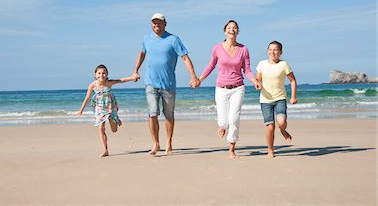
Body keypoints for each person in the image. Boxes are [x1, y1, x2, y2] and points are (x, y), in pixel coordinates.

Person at [131, 13, 200, 156]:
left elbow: (185, 58)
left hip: (168, 84)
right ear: (151, 24)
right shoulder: (146, 39)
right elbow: (142, 54)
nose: (156, 25)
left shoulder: (173, 40)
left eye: (159, 22)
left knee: (169, 115)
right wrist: (135, 70)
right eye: (154, 22)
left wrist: (193, 76)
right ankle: (155, 143)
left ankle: (168, 142)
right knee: (152, 113)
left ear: (165, 23)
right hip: (151, 82)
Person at [197, 20, 261, 159]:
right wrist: (200, 79)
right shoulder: (217, 48)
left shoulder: (244, 49)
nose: (232, 29)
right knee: (223, 121)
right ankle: (222, 126)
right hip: (221, 88)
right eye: (229, 27)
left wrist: (254, 80)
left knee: (234, 119)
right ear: (225, 31)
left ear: (237, 31)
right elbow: (210, 66)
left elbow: (247, 70)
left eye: (235, 28)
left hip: (238, 87)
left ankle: (231, 148)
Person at [78, 64, 134, 157]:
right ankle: (105, 150)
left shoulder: (109, 83)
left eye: (104, 73)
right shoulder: (92, 85)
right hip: (99, 108)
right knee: (101, 128)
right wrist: (81, 110)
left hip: (111, 107)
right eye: (99, 73)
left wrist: (132, 77)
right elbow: (87, 98)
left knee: (114, 130)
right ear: (95, 74)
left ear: (107, 74)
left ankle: (116, 120)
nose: (101, 75)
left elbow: (121, 80)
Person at [256, 41, 297, 158]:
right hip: (265, 100)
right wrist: (257, 83)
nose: (272, 52)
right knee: (270, 127)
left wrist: (293, 97)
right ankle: (270, 149)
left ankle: (283, 131)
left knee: (281, 122)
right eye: (270, 49)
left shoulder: (284, 65)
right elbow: (258, 78)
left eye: (275, 50)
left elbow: (293, 80)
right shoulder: (262, 64)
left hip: (280, 98)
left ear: (280, 52)